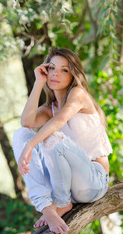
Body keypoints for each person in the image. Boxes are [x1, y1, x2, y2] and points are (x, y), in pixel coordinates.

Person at [12, 47, 113, 234]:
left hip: (93, 181)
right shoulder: (49, 108)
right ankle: (47, 206)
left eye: (64, 70)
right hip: (65, 185)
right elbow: (26, 122)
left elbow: (59, 121)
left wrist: (31, 145)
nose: (55, 74)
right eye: (51, 68)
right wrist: (38, 82)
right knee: (20, 134)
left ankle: (61, 203)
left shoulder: (78, 93)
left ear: (73, 74)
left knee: (51, 137)